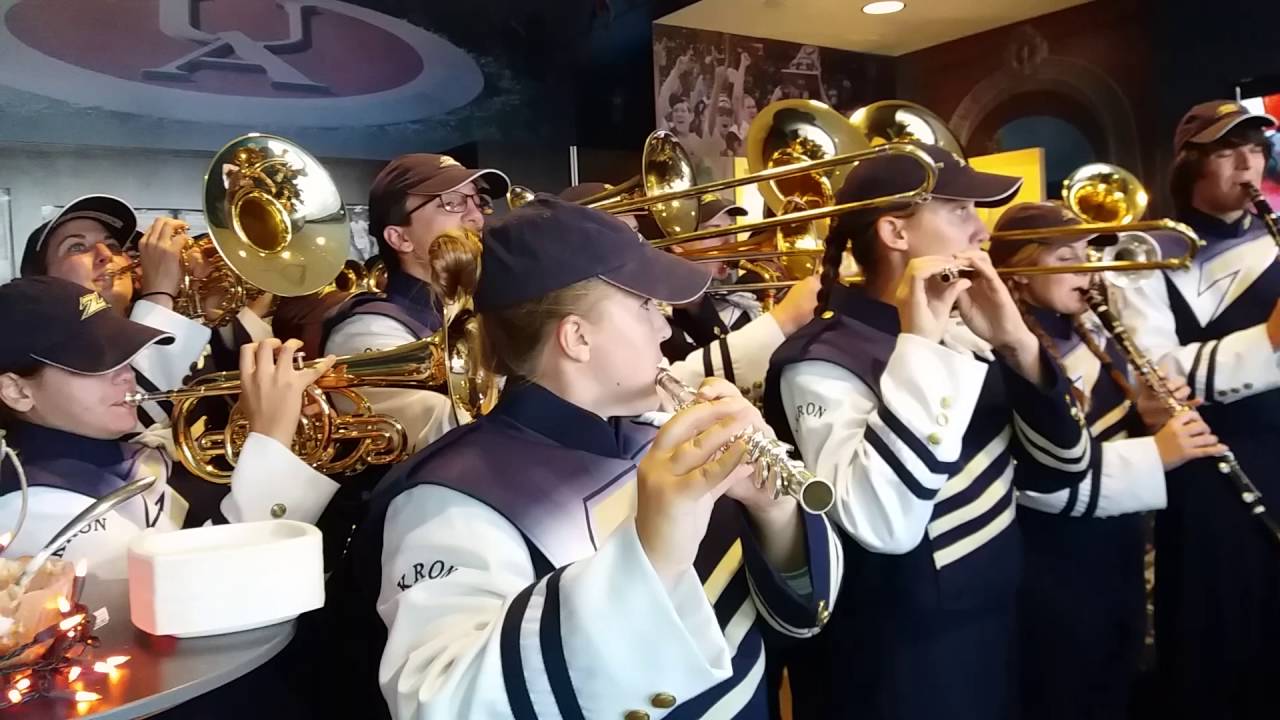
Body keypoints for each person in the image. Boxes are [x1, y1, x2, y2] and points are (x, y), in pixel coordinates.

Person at [340, 196, 840, 719]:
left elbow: (794, 620)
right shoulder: (449, 500)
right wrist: (651, 552)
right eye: (646, 306)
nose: (666, 328)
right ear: (577, 337)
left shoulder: (654, 431)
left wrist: (775, 512)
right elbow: (442, 705)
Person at [761, 144, 1093, 720]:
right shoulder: (817, 361)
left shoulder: (967, 330)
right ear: (895, 231)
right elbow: (882, 522)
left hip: (991, 618)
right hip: (896, 657)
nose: (981, 228)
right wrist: (920, 346)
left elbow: (1064, 471)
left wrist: (1018, 347)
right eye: (961, 210)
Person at [989, 201, 1227, 720]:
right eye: (1066, 255)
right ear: (1021, 275)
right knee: (1071, 688)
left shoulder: (1091, 334)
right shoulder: (1008, 357)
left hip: (1117, 551)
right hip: (1056, 570)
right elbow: (1038, 479)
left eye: (1088, 253)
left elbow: (1105, 427)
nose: (1088, 267)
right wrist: (1158, 453)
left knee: (1125, 677)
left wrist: (1148, 414)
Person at [1109, 99, 1280, 719]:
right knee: (1211, 628)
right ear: (1190, 164)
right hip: (1202, 466)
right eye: (1228, 152)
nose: (1247, 165)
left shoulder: (1272, 239)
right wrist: (1267, 343)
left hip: (1276, 450)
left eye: (1256, 149)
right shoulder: (1140, 249)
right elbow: (1156, 377)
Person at [0, 276, 340, 580]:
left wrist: (256, 429)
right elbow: (202, 598)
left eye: (124, 352)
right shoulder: (33, 511)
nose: (125, 373)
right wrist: (271, 442)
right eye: (95, 361)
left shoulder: (111, 446)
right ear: (17, 391)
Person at [20, 196, 274, 426]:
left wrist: (212, 316)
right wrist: (160, 294)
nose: (105, 254)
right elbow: (137, 416)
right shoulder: (49, 354)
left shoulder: (164, 319)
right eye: (77, 247)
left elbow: (238, 400)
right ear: (42, 281)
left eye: (113, 245)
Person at [323, 154, 510, 451]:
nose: (477, 217)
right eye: (451, 202)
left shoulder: (484, 307)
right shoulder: (366, 331)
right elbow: (446, 441)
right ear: (399, 238)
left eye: (478, 201)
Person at [562, 184, 819, 399]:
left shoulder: (713, 302)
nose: (731, 242)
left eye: (637, 233)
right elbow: (665, 388)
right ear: (678, 241)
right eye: (714, 232)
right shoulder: (630, 308)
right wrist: (783, 321)